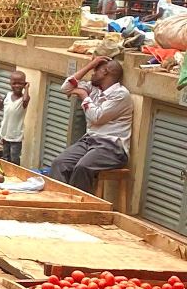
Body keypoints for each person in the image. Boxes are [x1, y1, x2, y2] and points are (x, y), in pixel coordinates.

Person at [49, 56, 132, 192]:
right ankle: (59, 201)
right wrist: (90, 65)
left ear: (105, 72)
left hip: (112, 148)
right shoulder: (94, 88)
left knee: (82, 167)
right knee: (59, 163)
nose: (92, 74)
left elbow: (96, 117)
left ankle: (78, 209)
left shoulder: (121, 95)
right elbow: (65, 88)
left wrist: (83, 96)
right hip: (90, 141)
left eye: (95, 70)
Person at [0, 71, 30, 165]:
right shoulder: (8, 95)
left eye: (20, 83)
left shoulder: (23, 99)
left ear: (24, 84)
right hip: (5, 133)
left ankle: (15, 174)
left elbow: (26, 100)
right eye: (14, 83)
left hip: (16, 136)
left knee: (14, 158)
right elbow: (1, 107)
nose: (17, 86)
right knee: (5, 157)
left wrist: (27, 88)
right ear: (10, 84)